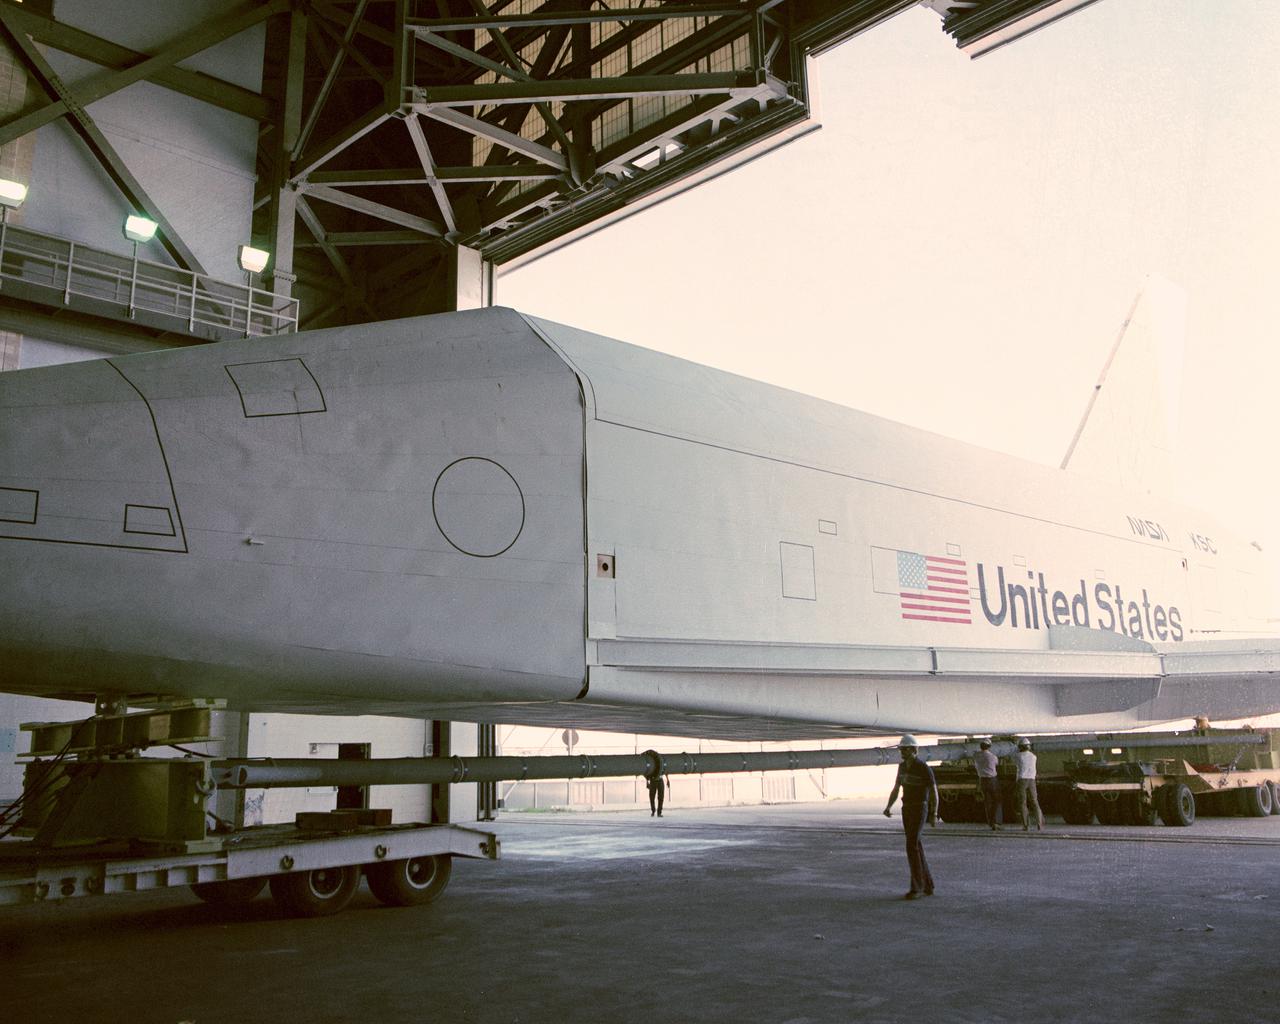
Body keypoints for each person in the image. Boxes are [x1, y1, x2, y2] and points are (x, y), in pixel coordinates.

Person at [883, 734, 938, 899]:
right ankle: (928, 885)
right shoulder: (901, 767)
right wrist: (888, 806)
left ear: (914, 750)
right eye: (901, 749)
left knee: (911, 844)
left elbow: (934, 791)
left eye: (905, 749)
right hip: (906, 808)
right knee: (916, 845)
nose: (902, 752)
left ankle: (917, 888)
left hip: (919, 808)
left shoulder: (923, 767)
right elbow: (896, 788)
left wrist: (934, 813)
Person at [1014, 738, 1044, 831]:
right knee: (1035, 802)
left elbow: (1017, 765)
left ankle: (1026, 825)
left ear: (1020, 747)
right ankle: (1039, 824)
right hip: (1032, 780)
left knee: (1023, 803)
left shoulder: (1017, 756)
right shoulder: (1033, 756)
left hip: (1022, 780)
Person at [974, 738, 1001, 830]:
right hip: (992, 780)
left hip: (982, 780)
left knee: (987, 801)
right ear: (989, 746)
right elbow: (997, 764)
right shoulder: (993, 757)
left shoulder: (976, 755)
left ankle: (990, 822)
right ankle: (995, 822)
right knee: (996, 800)